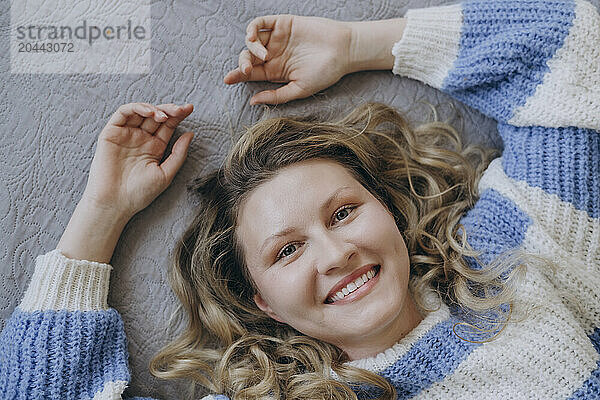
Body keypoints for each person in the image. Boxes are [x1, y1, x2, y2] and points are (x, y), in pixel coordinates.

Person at [1, 0, 598, 399]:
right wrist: (102, 214)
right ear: (261, 301)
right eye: (286, 252)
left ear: (388, 210)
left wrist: (358, 45)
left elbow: (572, 48)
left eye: (343, 213)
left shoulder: (506, 256)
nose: (336, 254)